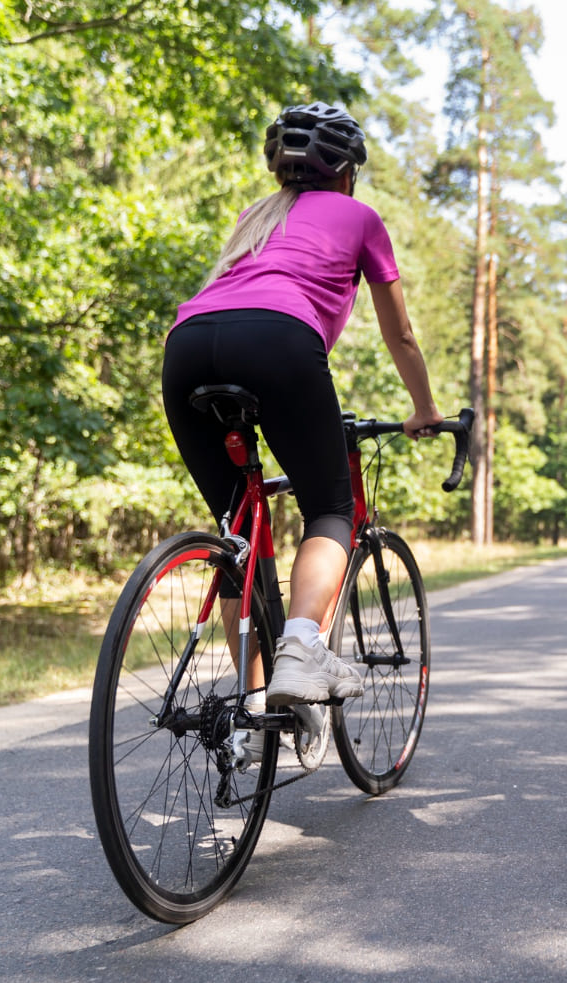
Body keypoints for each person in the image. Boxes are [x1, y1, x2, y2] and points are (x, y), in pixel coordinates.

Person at [161, 102, 444, 747]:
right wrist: (424, 409)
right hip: (280, 343)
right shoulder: (360, 216)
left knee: (240, 531)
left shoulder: (255, 217)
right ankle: (301, 650)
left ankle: (255, 706)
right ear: (346, 171)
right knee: (329, 511)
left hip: (187, 346)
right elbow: (399, 334)